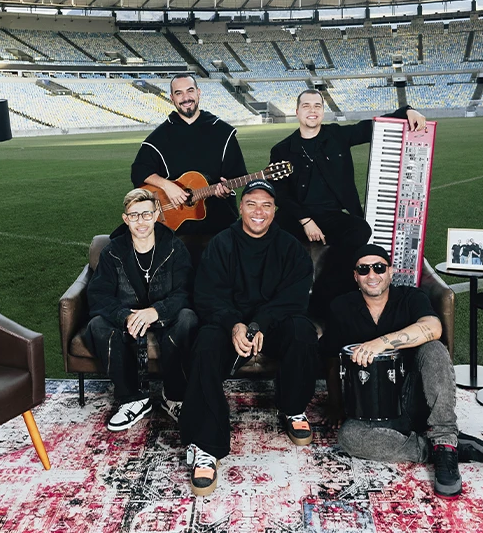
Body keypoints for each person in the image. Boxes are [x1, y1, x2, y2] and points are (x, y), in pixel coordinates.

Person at [321, 244, 483, 497]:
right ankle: (440, 450)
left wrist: (380, 343)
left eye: (379, 267)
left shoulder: (411, 297)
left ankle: (445, 436)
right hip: (371, 410)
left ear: (390, 272)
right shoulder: (341, 306)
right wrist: (335, 404)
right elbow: (331, 358)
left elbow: (433, 327)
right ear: (355, 276)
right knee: (349, 438)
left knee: (434, 348)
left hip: (415, 398)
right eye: (364, 269)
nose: (372, 275)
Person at [180, 180, 318, 496]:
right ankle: (206, 445)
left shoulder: (290, 247)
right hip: (230, 325)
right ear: (241, 207)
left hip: (272, 325)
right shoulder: (220, 243)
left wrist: (260, 324)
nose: (259, 211)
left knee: (303, 330)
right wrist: (235, 325)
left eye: (266, 205)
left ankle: (292, 408)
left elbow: (295, 298)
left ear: (275, 211)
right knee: (204, 345)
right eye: (252, 203)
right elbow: (206, 296)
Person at [268, 90, 426, 314]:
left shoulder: (337, 135)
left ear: (323, 111)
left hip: (332, 215)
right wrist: (305, 220)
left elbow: (373, 126)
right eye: (306, 106)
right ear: (297, 112)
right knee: (269, 232)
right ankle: (278, 301)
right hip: (297, 216)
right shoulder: (281, 149)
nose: (312, 111)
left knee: (359, 230)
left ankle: (323, 297)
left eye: (317, 106)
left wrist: (407, 111)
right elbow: (280, 193)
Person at [83, 189, 197, 431]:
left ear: (157, 215)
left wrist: (156, 311)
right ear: (125, 219)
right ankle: (133, 399)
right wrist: (124, 316)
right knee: (97, 325)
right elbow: (99, 294)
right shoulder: (112, 251)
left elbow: (185, 292)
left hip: (165, 317)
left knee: (187, 318)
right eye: (134, 216)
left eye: (146, 214)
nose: (141, 221)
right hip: (128, 318)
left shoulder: (175, 247)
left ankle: (174, 396)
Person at [130, 73, 249, 236]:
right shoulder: (159, 137)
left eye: (190, 91)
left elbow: (237, 175)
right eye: (179, 93)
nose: (186, 98)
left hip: (220, 225)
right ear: (172, 98)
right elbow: (138, 171)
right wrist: (167, 185)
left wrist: (225, 189)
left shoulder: (223, 132)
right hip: (177, 228)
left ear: (198, 92)